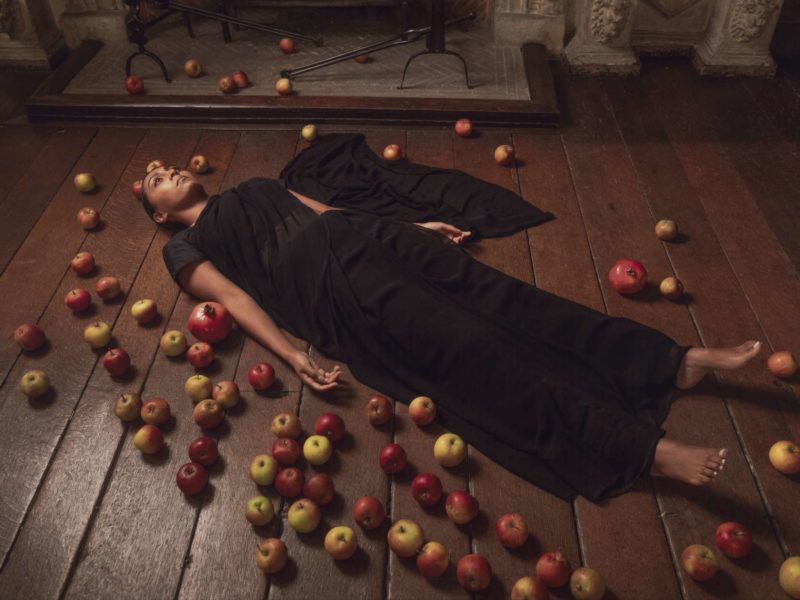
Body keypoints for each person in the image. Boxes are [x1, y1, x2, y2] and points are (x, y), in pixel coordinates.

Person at [139, 133, 762, 503]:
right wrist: (293, 354)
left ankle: (671, 361)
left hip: (374, 243)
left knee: (515, 303)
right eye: (153, 184)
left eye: (164, 167)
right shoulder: (184, 247)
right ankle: (643, 448)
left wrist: (412, 227)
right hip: (337, 293)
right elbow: (239, 300)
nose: (161, 171)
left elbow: (329, 211)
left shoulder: (251, 186)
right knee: (480, 353)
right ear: (163, 216)